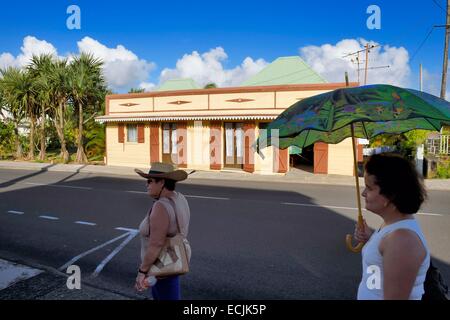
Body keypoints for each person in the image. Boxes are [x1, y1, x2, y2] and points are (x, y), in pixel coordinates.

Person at [355, 153, 430, 300]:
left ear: (391, 195)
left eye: (369, 188)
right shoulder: (393, 227)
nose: (363, 193)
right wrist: (371, 237)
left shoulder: (402, 240)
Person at [133, 162, 191, 300]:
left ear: (162, 183)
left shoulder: (161, 206)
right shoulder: (179, 198)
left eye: (150, 181)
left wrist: (142, 271)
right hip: (173, 261)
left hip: (161, 268)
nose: (147, 184)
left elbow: (156, 244)